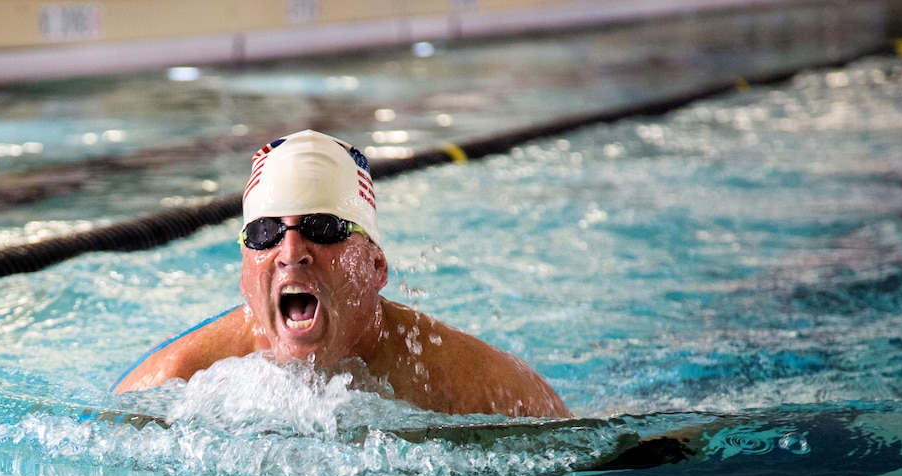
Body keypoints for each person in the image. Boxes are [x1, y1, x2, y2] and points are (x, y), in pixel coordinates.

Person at [112, 129, 570, 418]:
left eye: (323, 228)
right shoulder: (182, 378)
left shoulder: (471, 384)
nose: (291, 252)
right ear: (243, 276)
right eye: (265, 232)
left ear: (377, 266)